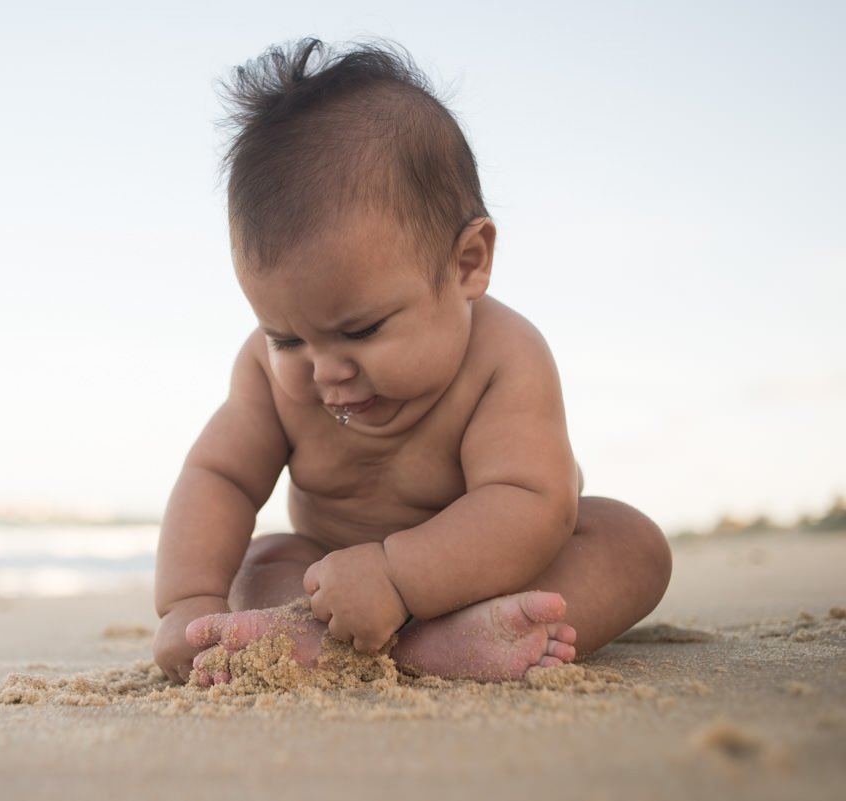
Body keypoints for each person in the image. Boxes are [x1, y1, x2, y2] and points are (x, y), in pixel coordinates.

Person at [152, 38, 671, 686]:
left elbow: (533, 504)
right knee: (262, 563)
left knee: (631, 545)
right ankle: (320, 638)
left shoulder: (503, 357)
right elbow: (218, 476)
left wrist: (401, 575)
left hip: (492, 575)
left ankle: (449, 636)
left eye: (361, 330)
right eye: (287, 337)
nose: (325, 371)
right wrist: (189, 602)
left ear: (468, 263)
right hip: (331, 582)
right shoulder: (267, 376)